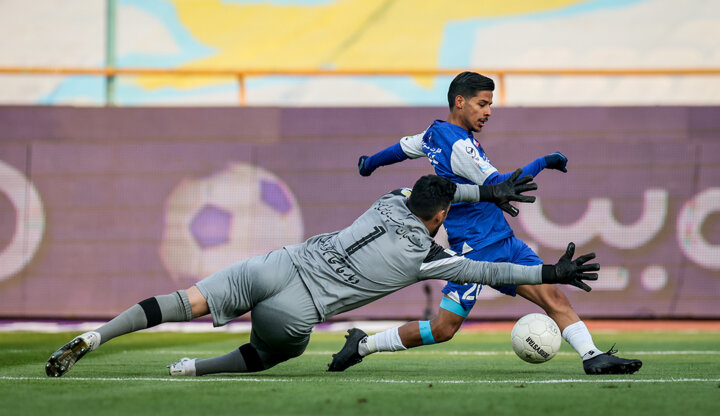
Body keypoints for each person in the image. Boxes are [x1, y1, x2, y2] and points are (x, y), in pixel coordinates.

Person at [45, 173, 598, 378]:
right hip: (297, 308)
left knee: (180, 300)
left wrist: (486, 189)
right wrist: (553, 269)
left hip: (276, 265)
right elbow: (490, 267)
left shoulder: (390, 199)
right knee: (271, 355)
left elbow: (430, 192)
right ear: (443, 216)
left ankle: (97, 335)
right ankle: (192, 370)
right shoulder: (429, 258)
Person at [336, 71, 641, 375]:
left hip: (501, 240)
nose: (488, 112)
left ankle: (592, 355)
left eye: (490, 104)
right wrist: (545, 161)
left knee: (552, 295)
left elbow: (400, 149)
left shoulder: (434, 134)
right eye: (482, 104)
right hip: (475, 251)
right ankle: (363, 345)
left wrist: (368, 164)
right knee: (443, 329)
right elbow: (505, 185)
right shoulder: (460, 147)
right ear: (460, 101)